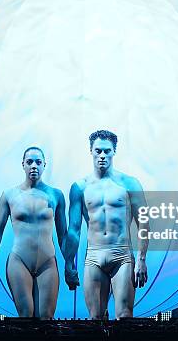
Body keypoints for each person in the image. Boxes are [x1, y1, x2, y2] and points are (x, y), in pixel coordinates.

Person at [64, 130, 149, 319]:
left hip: (122, 255)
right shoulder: (80, 187)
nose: (102, 155)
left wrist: (141, 259)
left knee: (125, 315)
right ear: (91, 151)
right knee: (96, 318)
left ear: (114, 152)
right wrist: (69, 263)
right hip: (94, 256)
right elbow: (74, 229)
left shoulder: (129, 183)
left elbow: (144, 223)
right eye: (98, 151)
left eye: (107, 151)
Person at [0, 147, 67, 319]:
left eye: (38, 162)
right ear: (23, 165)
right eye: (29, 162)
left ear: (44, 165)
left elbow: (63, 236)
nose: (34, 166)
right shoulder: (9, 195)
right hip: (19, 260)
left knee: (46, 318)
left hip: (47, 262)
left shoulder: (56, 195)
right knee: (26, 316)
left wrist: (70, 265)